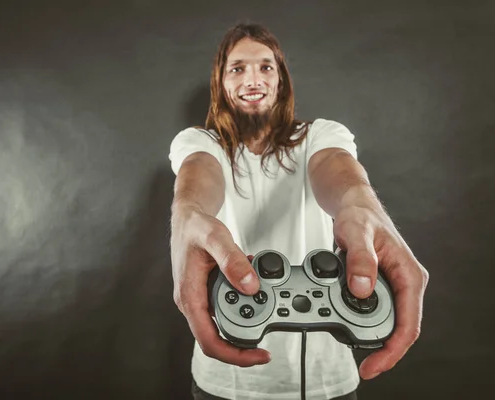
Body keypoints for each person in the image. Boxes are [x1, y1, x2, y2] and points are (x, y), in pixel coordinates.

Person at [168, 22, 429, 400]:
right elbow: (198, 174)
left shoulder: (320, 136)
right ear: (221, 84)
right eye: (238, 68)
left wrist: (360, 206)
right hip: (225, 380)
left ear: (281, 80)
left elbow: (339, 172)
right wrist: (188, 214)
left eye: (265, 67)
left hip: (327, 377)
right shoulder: (200, 142)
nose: (253, 78)